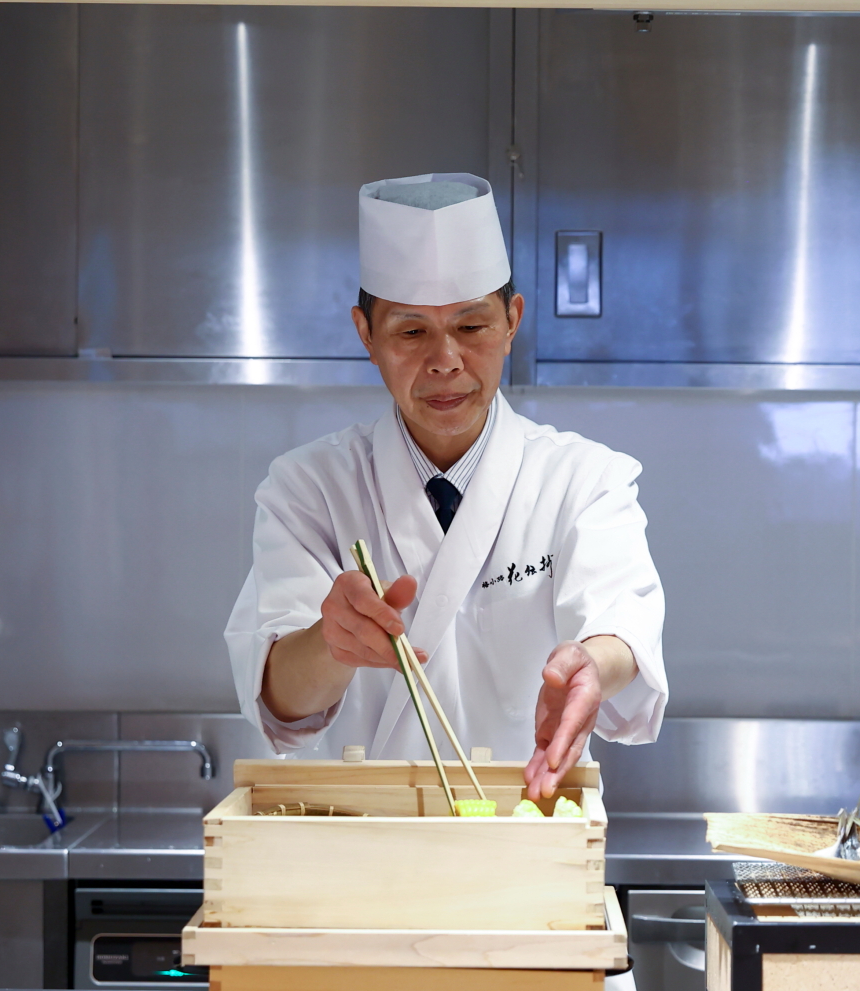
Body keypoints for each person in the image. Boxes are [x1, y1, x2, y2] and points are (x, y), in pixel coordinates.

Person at [224, 172, 666, 798]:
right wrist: (331, 642)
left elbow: (622, 623)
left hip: (524, 839)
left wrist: (592, 665)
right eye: (410, 331)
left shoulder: (585, 479)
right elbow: (281, 702)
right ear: (365, 334)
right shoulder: (309, 489)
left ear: (511, 322)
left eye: (471, 326)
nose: (444, 360)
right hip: (363, 850)